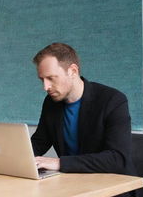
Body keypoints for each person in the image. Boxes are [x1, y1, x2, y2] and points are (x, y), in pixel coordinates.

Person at [31, 43, 136, 197]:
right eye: (42, 80)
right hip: (73, 184)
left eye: (51, 78)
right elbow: (39, 142)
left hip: (112, 188)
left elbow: (117, 158)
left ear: (73, 71)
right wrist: (16, 160)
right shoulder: (51, 102)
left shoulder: (113, 100)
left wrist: (59, 163)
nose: (45, 87)